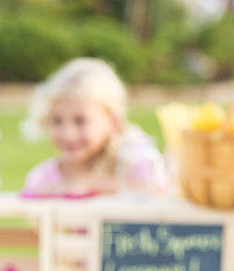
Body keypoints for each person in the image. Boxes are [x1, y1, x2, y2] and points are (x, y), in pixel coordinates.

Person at [21, 58, 172, 198]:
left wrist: (91, 183)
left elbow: (159, 191)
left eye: (80, 121)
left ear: (112, 122)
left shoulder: (134, 159)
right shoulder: (43, 179)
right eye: (57, 121)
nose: (68, 134)